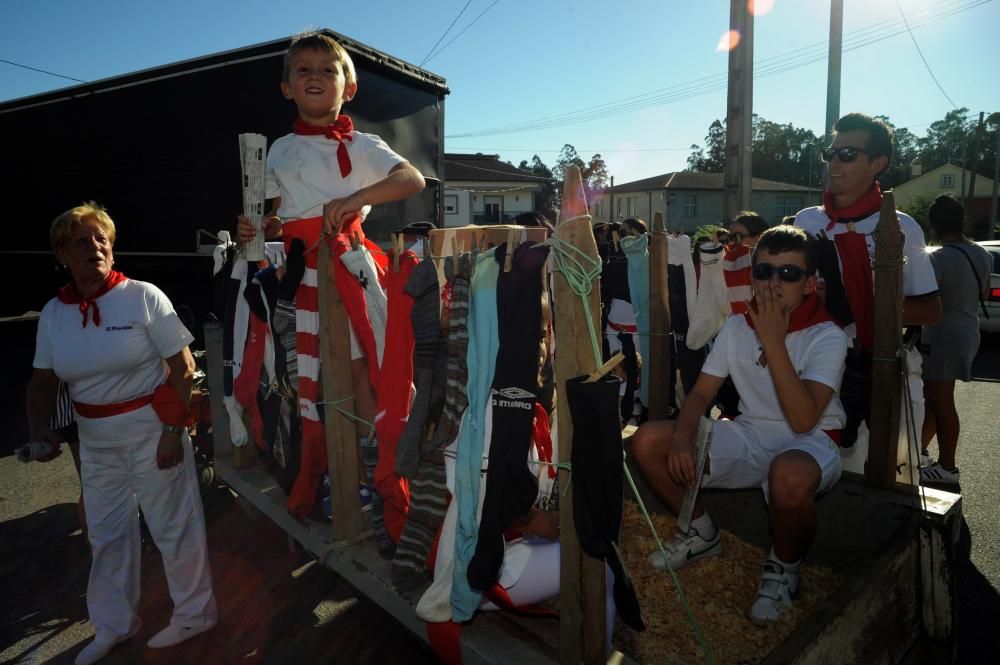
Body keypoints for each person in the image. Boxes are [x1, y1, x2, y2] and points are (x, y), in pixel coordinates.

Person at [236, 31, 426, 520]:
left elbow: (412, 179)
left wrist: (359, 198)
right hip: (300, 275)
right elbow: (278, 214)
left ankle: (370, 475)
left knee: (364, 371)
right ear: (287, 87)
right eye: (304, 70)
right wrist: (260, 226)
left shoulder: (364, 144)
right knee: (306, 377)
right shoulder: (277, 149)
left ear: (349, 86)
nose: (316, 76)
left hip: (349, 266)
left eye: (328, 69)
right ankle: (319, 469)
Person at [26, 203, 216, 665]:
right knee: (107, 534)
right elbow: (44, 382)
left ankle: (196, 613)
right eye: (81, 240)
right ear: (61, 255)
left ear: (112, 247)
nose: (94, 246)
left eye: (101, 238)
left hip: (153, 430)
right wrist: (40, 433)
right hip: (95, 439)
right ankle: (114, 625)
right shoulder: (54, 312)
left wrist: (174, 429)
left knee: (174, 526)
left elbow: (184, 367)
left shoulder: (143, 296)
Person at [631, 225, 848, 624]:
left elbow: (803, 420)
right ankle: (701, 533)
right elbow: (700, 394)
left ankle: (784, 566)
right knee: (647, 441)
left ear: (810, 284)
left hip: (812, 442)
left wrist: (774, 341)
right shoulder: (736, 326)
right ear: (752, 277)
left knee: (789, 476)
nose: (774, 283)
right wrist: (681, 437)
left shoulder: (827, 336)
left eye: (789, 274)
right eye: (764, 272)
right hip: (750, 434)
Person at [794, 113, 940, 451]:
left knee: (892, 471)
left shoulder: (902, 226)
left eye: (847, 154)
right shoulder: (807, 220)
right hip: (816, 365)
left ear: (878, 163)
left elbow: (931, 309)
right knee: (814, 467)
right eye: (829, 153)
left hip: (886, 367)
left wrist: (857, 304)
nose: (834, 162)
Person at [919, 195, 992, 485]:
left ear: (933, 225)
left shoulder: (938, 258)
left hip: (942, 334)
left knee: (941, 401)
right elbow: (983, 295)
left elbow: (927, 301)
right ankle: (920, 452)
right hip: (967, 330)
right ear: (962, 221)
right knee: (935, 399)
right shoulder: (982, 254)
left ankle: (947, 467)